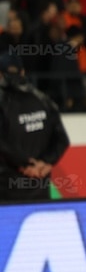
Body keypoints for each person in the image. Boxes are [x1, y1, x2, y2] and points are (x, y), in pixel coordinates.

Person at [0, 53, 71, 202]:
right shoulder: (43, 99)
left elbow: (3, 145)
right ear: (22, 72)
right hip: (40, 187)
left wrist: (26, 165)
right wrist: (46, 163)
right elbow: (62, 139)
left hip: (7, 191)